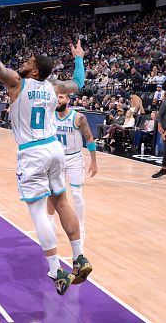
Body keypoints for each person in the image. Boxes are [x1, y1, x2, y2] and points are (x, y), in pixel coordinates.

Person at [0, 1, 91, 296]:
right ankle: (79, 256)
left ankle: (55, 271)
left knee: (39, 212)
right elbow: (78, 82)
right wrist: (79, 59)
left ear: (35, 69)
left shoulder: (17, 82)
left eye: (28, 59)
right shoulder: (54, 87)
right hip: (55, 149)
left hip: (32, 152)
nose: (24, 61)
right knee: (62, 202)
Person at [47, 93, 98, 243]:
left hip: (74, 158)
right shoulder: (50, 116)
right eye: (56, 97)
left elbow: (89, 138)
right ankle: (50, 222)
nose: (58, 100)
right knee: (53, 192)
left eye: (61, 97)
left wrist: (93, 162)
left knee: (76, 194)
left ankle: (81, 226)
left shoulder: (78, 118)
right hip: (57, 158)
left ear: (68, 100)